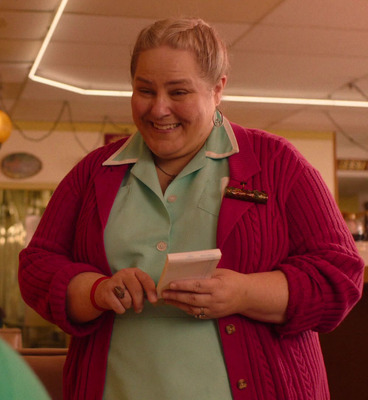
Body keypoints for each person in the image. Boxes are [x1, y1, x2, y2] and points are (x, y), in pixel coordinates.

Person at [18, 17, 364, 400]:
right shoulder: (93, 172)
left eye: (178, 92)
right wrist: (97, 290)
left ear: (217, 90)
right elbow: (38, 267)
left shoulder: (278, 163)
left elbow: (340, 275)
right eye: (144, 90)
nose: (159, 109)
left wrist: (245, 293)